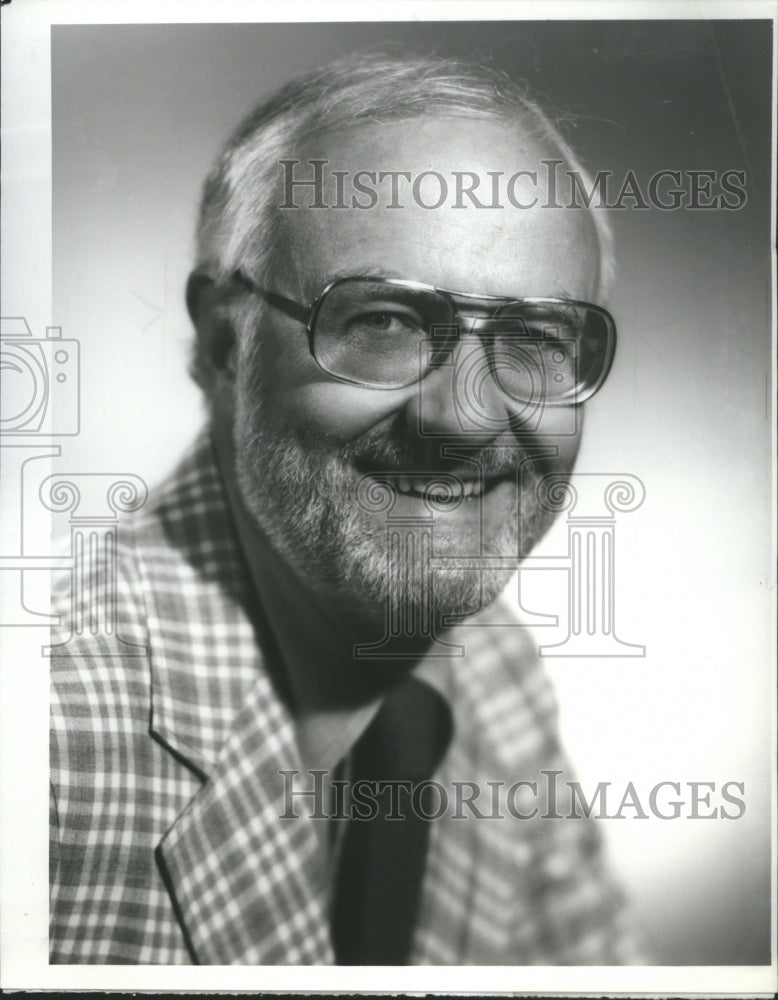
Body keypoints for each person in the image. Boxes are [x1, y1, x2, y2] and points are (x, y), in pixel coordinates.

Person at [49, 53, 643, 965]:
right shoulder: (51, 739)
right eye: (385, 323)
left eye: (532, 337)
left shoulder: (492, 669)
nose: (462, 418)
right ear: (222, 344)